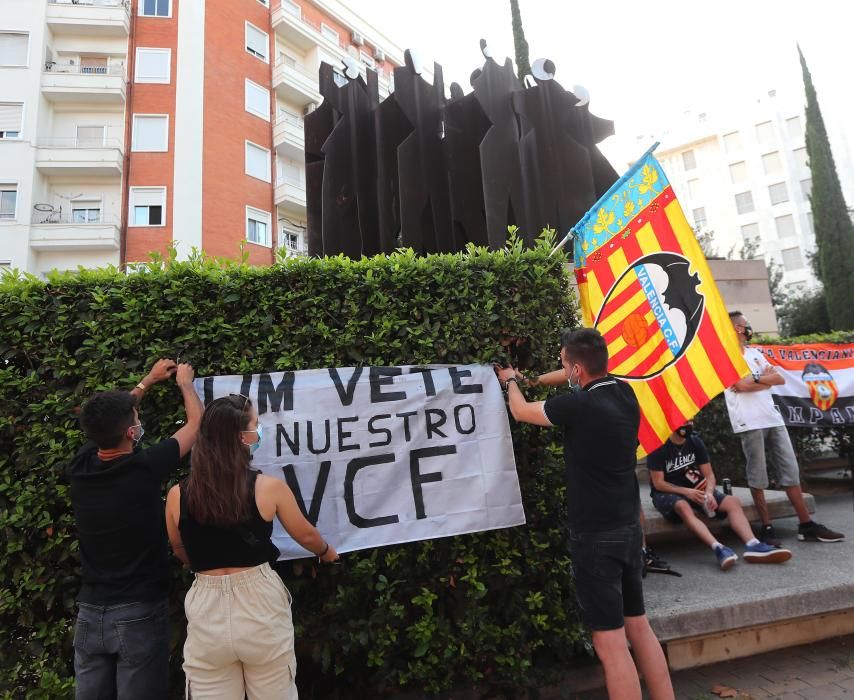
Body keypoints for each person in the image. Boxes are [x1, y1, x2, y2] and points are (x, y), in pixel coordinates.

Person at [497, 328, 674, 700]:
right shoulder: (624, 393)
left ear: (576, 369)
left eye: (565, 365)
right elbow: (575, 371)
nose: (564, 371)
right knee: (639, 627)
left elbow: (520, 411)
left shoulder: (576, 407)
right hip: (628, 529)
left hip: (596, 539)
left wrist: (512, 381)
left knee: (609, 641)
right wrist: (537, 376)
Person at [165, 394, 339, 699]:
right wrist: (326, 552)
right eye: (255, 425)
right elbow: (306, 535)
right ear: (240, 437)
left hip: (206, 605)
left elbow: (179, 548)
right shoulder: (267, 487)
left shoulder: (178, 495)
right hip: (260, 602)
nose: (259, 431)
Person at [67, 359, 202, 699]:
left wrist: (146, 382)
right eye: (136, 421)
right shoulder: (145, 467)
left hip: (90, 613)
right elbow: (196, 425)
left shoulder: (82, 467)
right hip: (137, 613)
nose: (138, 422)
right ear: (130, 432)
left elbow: (106, 420)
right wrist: (185, 385)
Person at [726, 311, 844, 545]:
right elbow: (739, 384)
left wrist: (755, 381)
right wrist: (763, 379)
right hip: (749, 421)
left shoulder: (756, 353)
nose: (749, 327)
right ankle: (767, 528)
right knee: (758, 476)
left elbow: (778, 379)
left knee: (790, 470)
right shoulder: (726, 356)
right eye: (746, 324)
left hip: (773, 418)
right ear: (738, 328)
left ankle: (806, 525)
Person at [647, 421, 792, 569]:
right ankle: (719, 548)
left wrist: (709, 493)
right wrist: (687, 492)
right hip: (668, 492)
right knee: (683, 506)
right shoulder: (658, 446)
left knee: (732, 502)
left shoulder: (695, 441)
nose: (689, 424)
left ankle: (753, 544)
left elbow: (709, 475)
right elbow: (659, 483)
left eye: (692, 420)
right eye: (685, 421)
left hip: (695, 487)